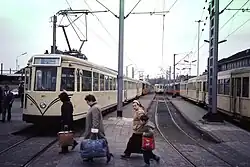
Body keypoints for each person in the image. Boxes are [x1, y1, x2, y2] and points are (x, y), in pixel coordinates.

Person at [83, 94, 112, 162]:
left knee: (101, 142)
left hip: (95, 130)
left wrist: (93, 132)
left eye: (87, 102)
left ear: (90, 101)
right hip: (93, 130)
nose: (87, 103)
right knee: (92, 143)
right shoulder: (93, 107)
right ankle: (90, 156)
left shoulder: (95, 108)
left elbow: (95, 121)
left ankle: (108, 154)